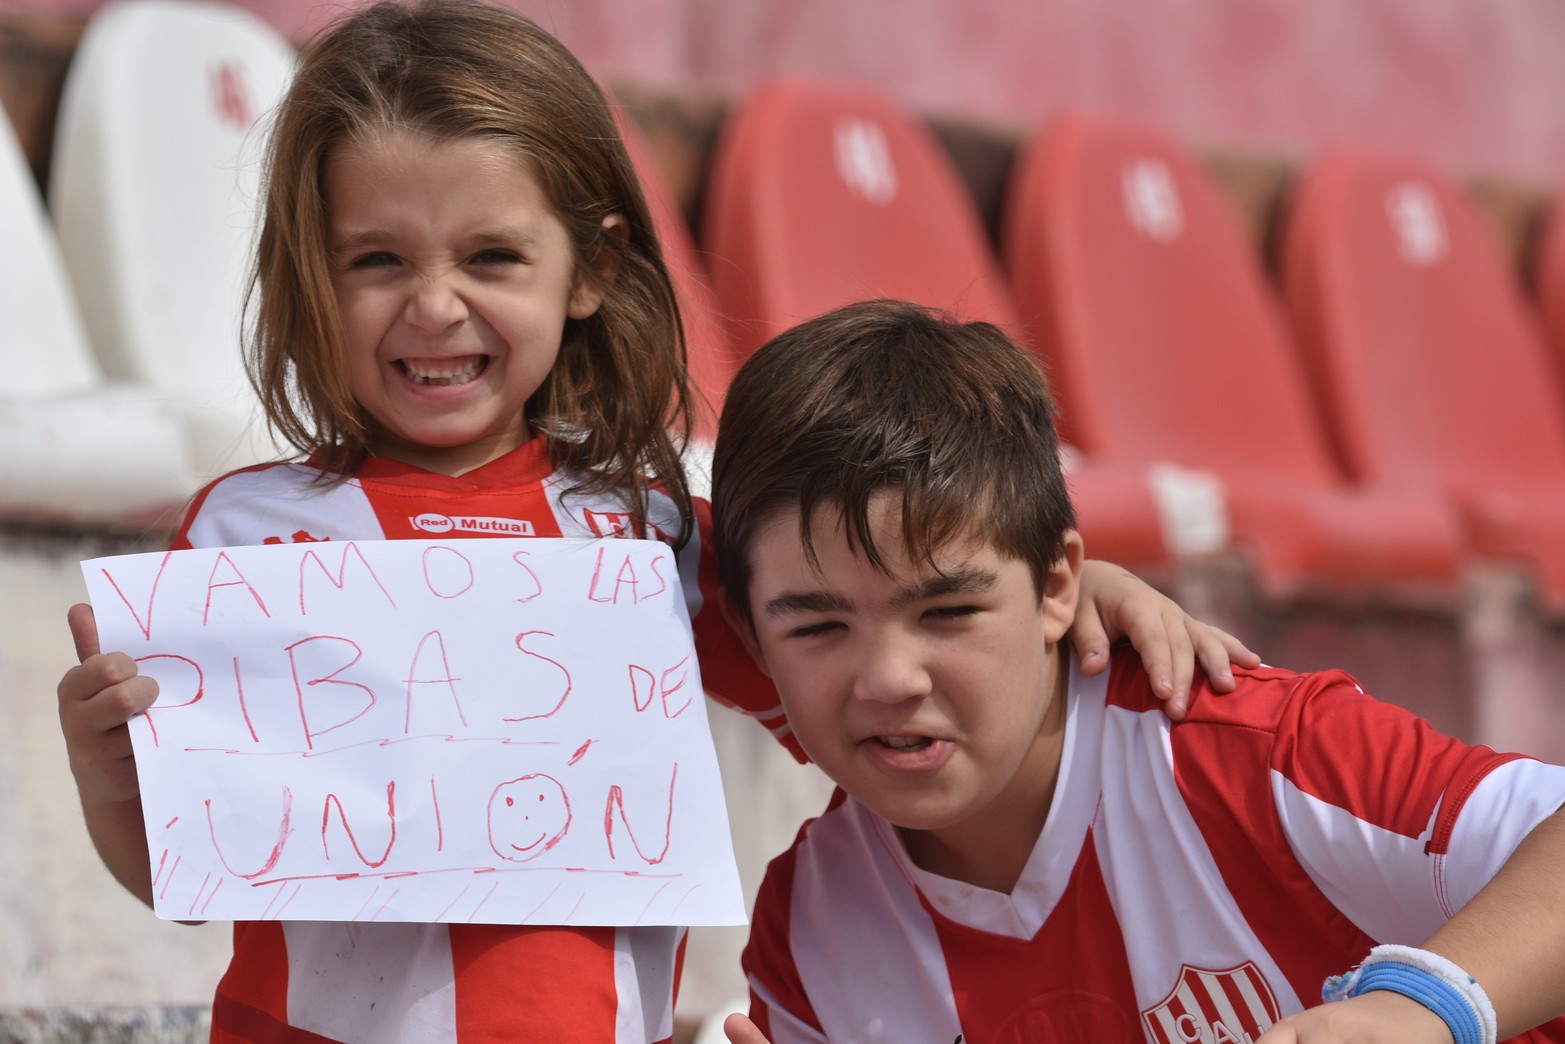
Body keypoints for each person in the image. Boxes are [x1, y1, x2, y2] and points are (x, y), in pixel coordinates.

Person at [53, 5, 1253, 1042]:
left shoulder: (659, 537)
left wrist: (1075, 599)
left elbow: (877, 659)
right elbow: (188, 877)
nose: (432, 304)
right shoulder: (246, 537)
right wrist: (114, 780)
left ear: (586, 271)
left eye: (491, 255)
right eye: (374, 259)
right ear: (308, 271)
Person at [709, 299, 1565, 1044]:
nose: (889, 677)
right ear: (751, 637)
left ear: (1055, 585)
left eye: (947, 613)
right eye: (819, 626)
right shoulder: (810, 933)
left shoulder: (1244, 751)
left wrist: (1425, 1002)